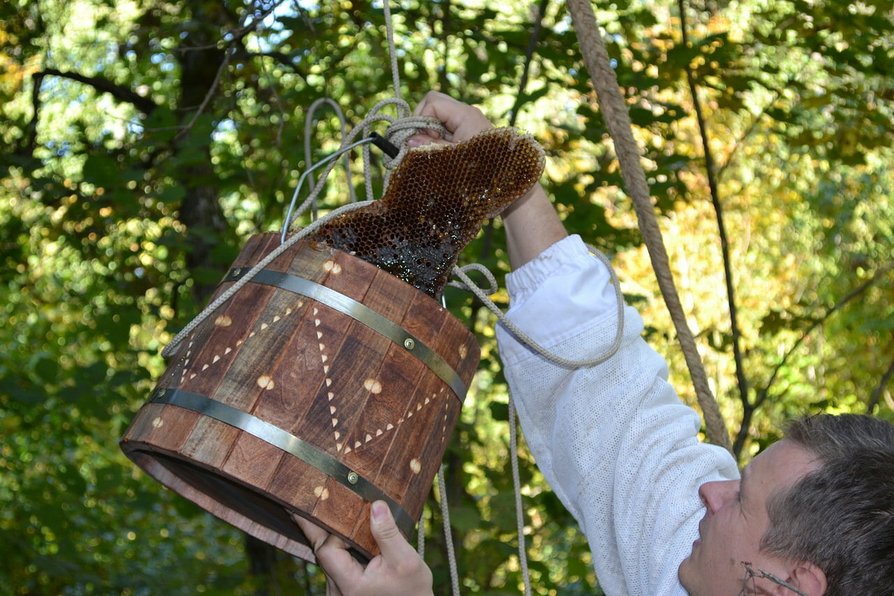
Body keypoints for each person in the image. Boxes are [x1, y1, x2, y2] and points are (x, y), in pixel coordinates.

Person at [296, 91, 894, 595]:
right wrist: (508, 183)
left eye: (741, 502)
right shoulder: (698, 554)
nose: (712, 489)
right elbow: (610, 403)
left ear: (789, 584)